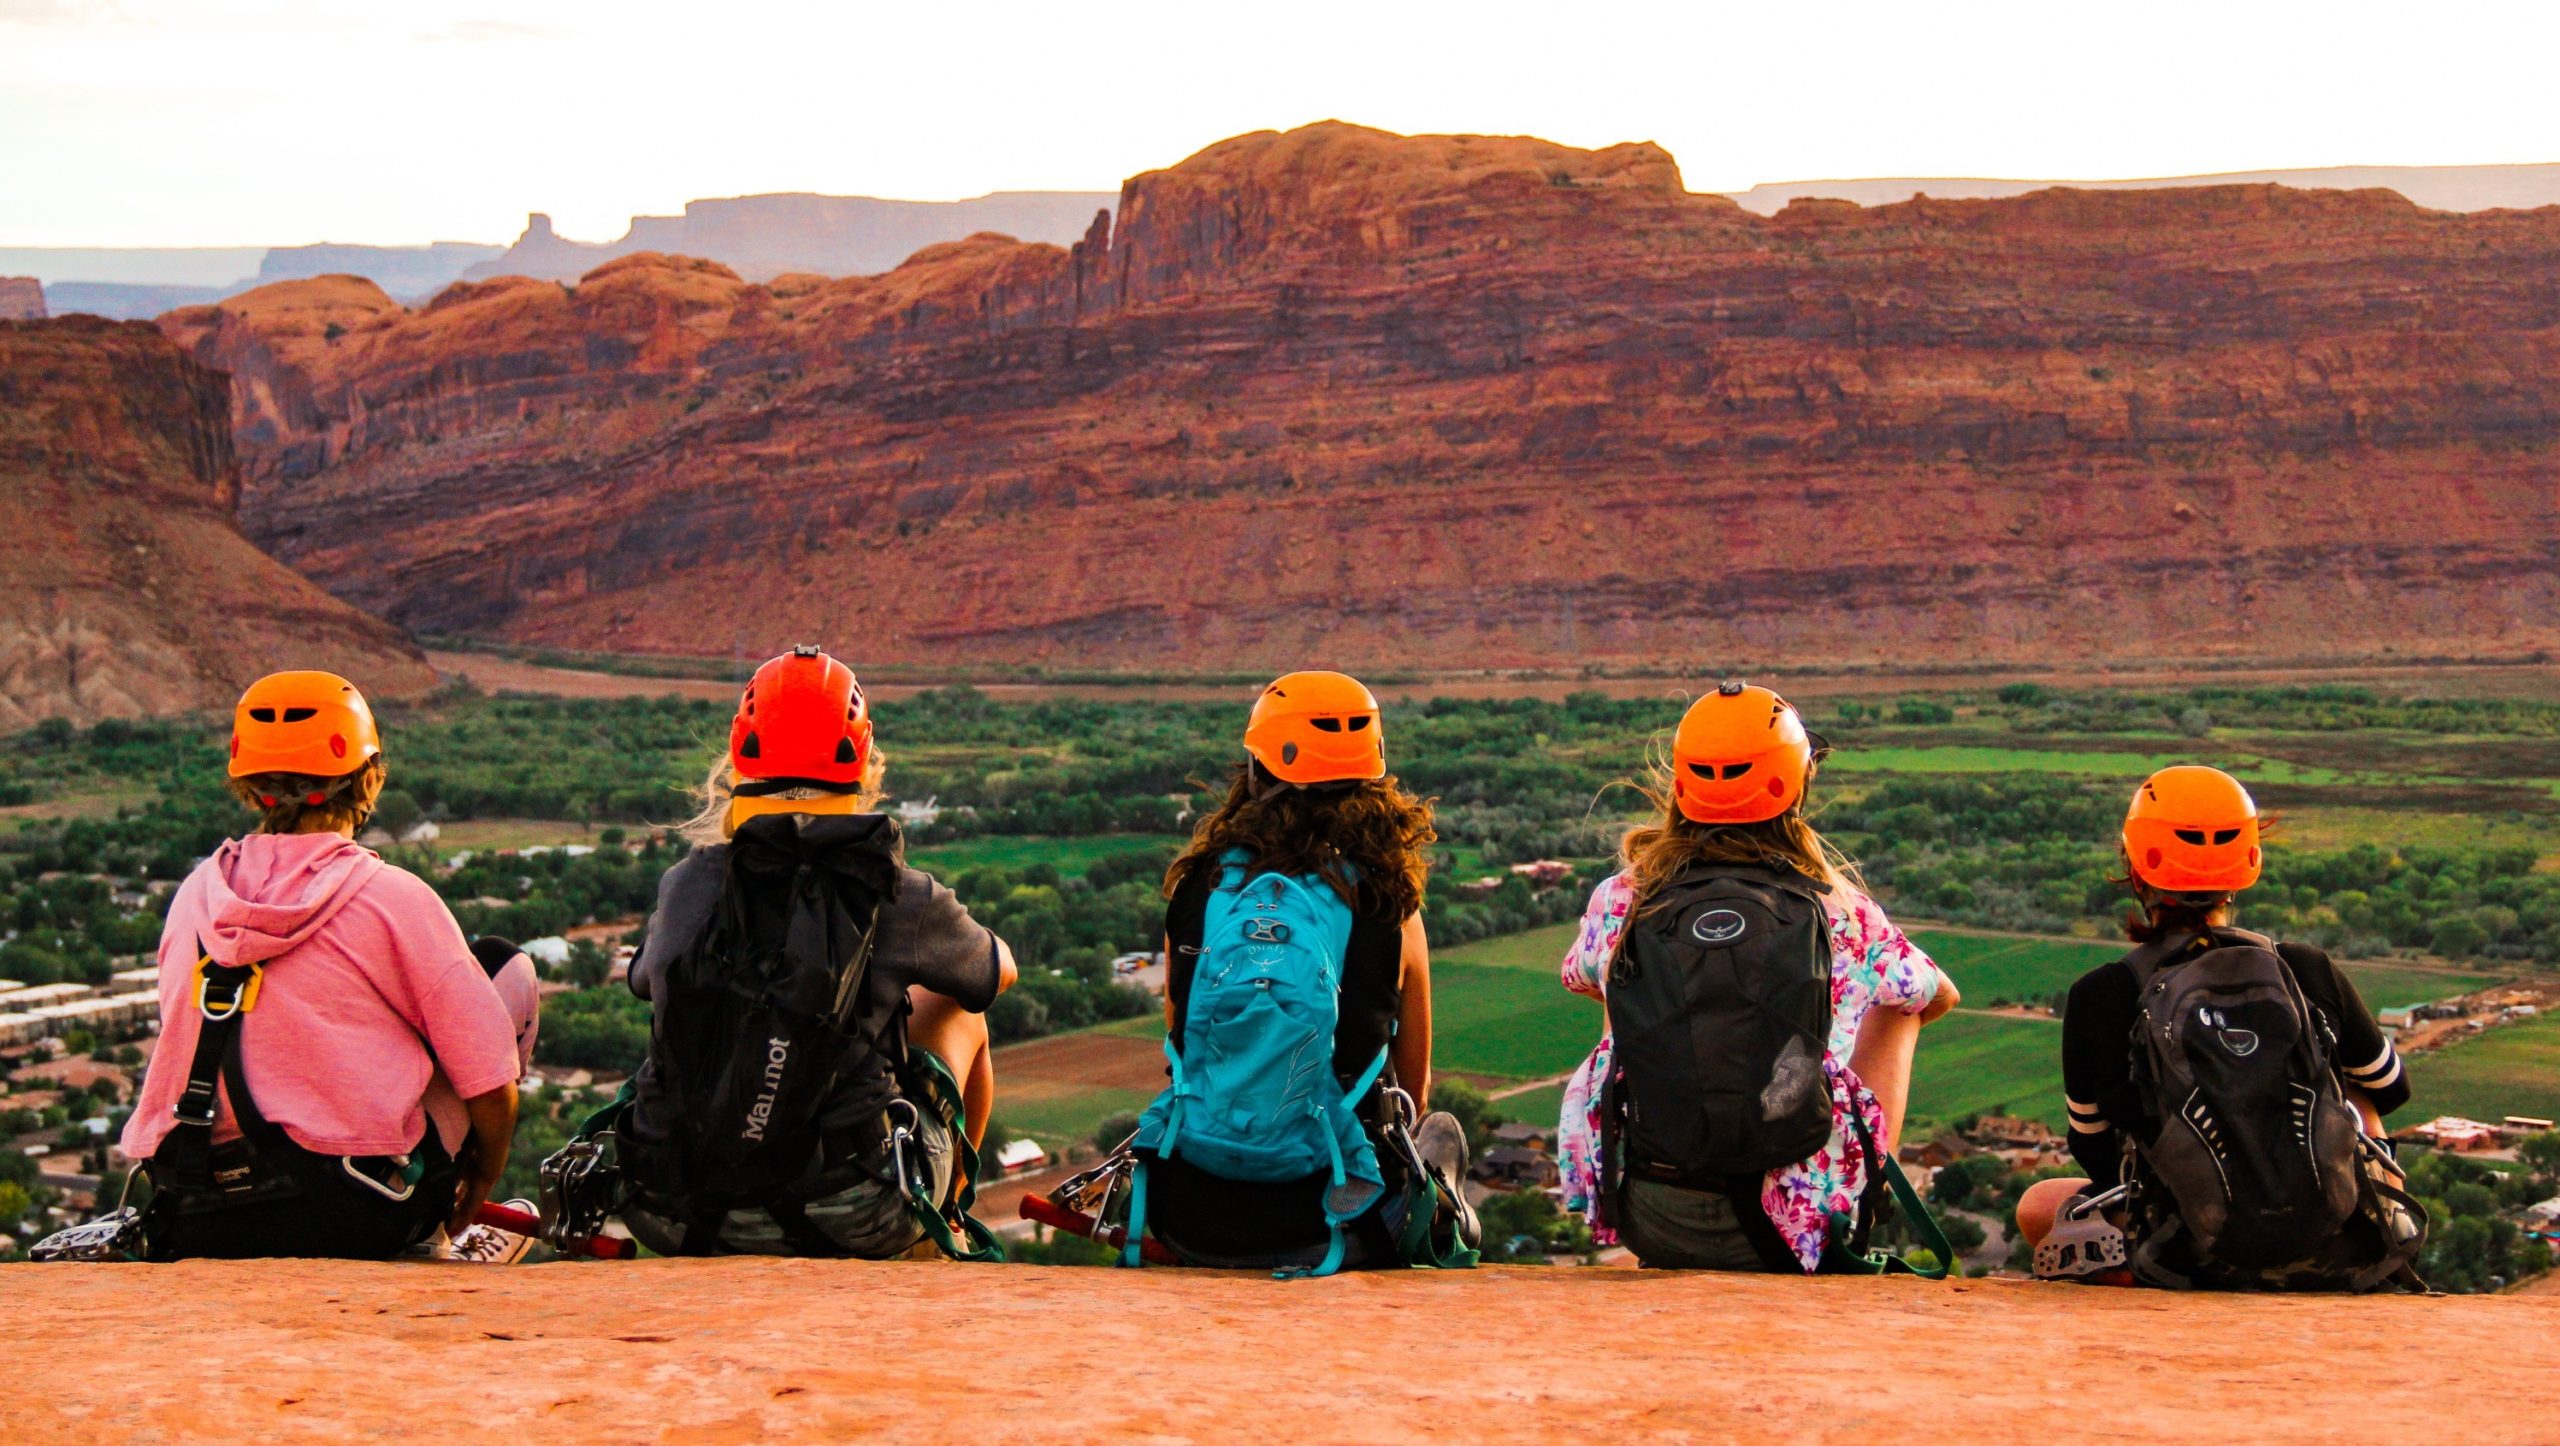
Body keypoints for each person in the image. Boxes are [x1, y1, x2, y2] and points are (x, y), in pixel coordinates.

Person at [612, 645, 1016, 1259]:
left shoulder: (689, 881)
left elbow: (645, 980)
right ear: (863, 754)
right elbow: (995, 976)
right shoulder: (898, 891)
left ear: (741, 751)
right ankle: (950, 1218)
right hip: (855, 1211)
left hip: (673, 1205)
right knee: (962, 1009)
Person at [117, 670, 528, 1261]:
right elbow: (490, 1083)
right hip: (349, 1212)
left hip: (196, 1208)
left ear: (247, 782)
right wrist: (481, 1180)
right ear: (369, 778)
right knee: (501, 973)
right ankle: (440, 1238)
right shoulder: (393, 897)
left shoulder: (194, 897)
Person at [1555, 682, 1959, 1273]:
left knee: (1627, 991)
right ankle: (1856, 1199)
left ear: (1682, 783)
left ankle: (1665, 1148)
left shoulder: (1622, 899)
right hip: (1791, 1232)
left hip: (1653, 1216)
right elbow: (1938, 993)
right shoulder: (1840, 911)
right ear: (1793, 783)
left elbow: (1582, 978)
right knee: (1901, 1011)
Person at [2016, 766, 2425, 1290]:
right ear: (2248, 864)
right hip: (2328, 1233)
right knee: (2352, 1083)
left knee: (2038, 1207)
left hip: (2184, 1246)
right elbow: (2392, 1091)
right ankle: (2375, 1240)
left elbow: (2093, 1147)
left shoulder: (2102, 993)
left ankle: (2150, 1274)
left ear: (2136, 867)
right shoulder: (2305, 968)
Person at [1122, 670, 1477, 1274]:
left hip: (1189, 1215)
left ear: (1256, 771)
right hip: (1338, 1219)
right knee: (1437, 1134)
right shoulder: (1390, 909)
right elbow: (1410, 1095)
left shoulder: (1199, 895)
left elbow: (1184, 1042)